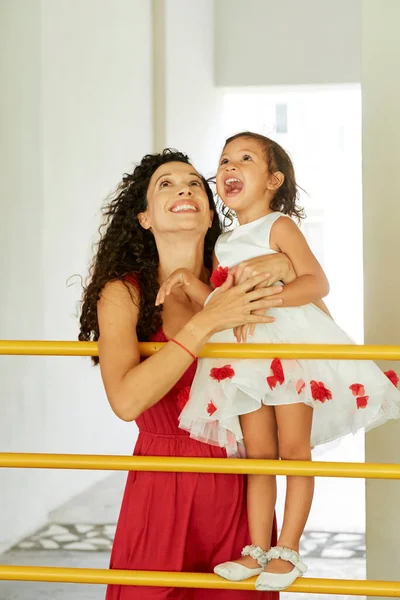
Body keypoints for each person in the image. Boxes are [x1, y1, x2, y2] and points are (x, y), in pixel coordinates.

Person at [156, 132, 400, 592]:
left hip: (289, 350)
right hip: (244, 357)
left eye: (244, 159)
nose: (230, 166)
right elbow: (222, 302)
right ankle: (257, 547)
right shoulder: (223, 242)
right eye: (225, 159)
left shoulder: (278, 226)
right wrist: (190, 283)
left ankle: (288, 549)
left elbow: (317, 283)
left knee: (294, 451)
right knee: (258, 456)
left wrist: (273, 299)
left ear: (272, 179)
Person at [79, 149, 297, 600]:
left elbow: (315, 345)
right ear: (143, 218)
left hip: (243, 489)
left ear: (210, 209)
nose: (184, 189)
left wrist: (288, 268)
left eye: (195, 183)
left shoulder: (241, 279)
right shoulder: (123, 292)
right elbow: (125, 401)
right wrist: (208, 321)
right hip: (162, 487)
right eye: (166, 184)